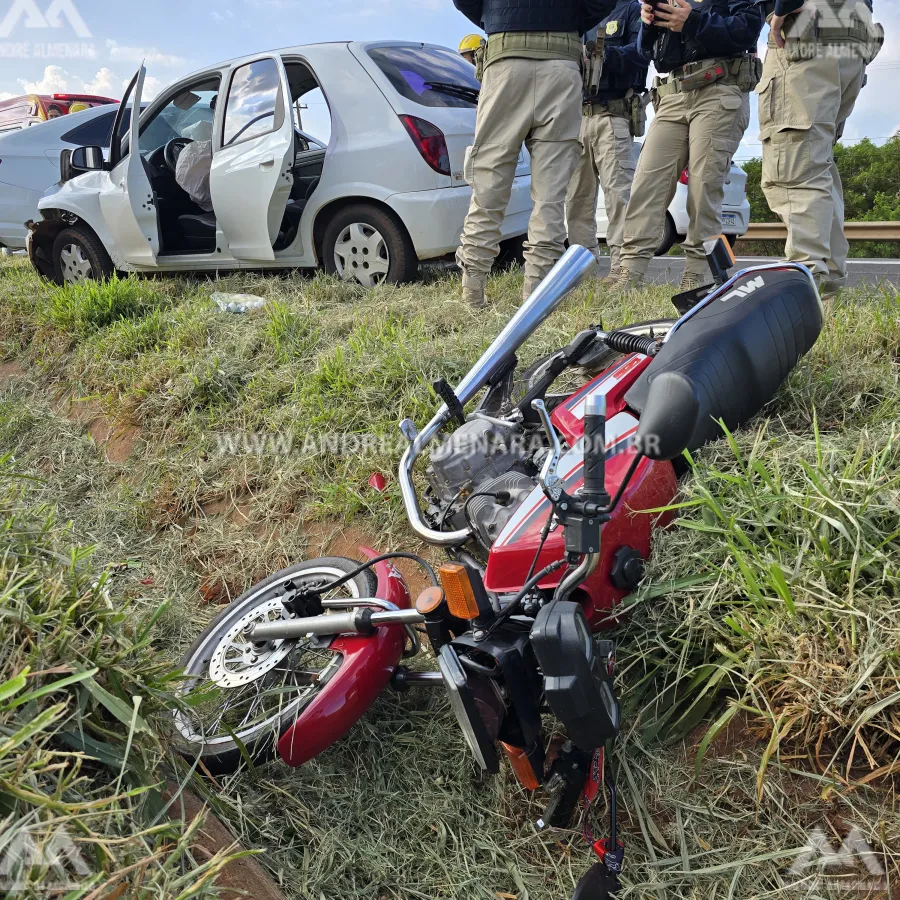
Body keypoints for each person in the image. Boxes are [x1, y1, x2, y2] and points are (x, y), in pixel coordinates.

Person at [452, 0, 616, 307]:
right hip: (562, 60)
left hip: (505, 57)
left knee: (489, 185)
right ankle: (535, 296)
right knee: (551, 195)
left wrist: (496, 18)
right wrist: (572, 20)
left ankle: (472, 293)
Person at [606, 0, 764, 294]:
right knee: (646, 184)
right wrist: (649, 23)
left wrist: (691, 21)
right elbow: (645, 52)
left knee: (704, 187)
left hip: (720, 88)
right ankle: (629, 271)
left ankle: (698, 275)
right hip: (672, 94)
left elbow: (748, 29)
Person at [758, 0, 883, 297]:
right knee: (815, 160)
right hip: (851, 29)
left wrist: (787, 4)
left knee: (793, 161)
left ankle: (804, 289)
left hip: (807, 25)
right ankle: (827, 286)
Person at [565, 3, 650, 281]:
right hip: (576, 116)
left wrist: (602, 55)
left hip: (613, 115)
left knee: (619, 197)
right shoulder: (579, 13)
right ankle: (582, 273)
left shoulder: (630, 10)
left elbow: (641, 52)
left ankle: (622, 271)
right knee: (576, 201)